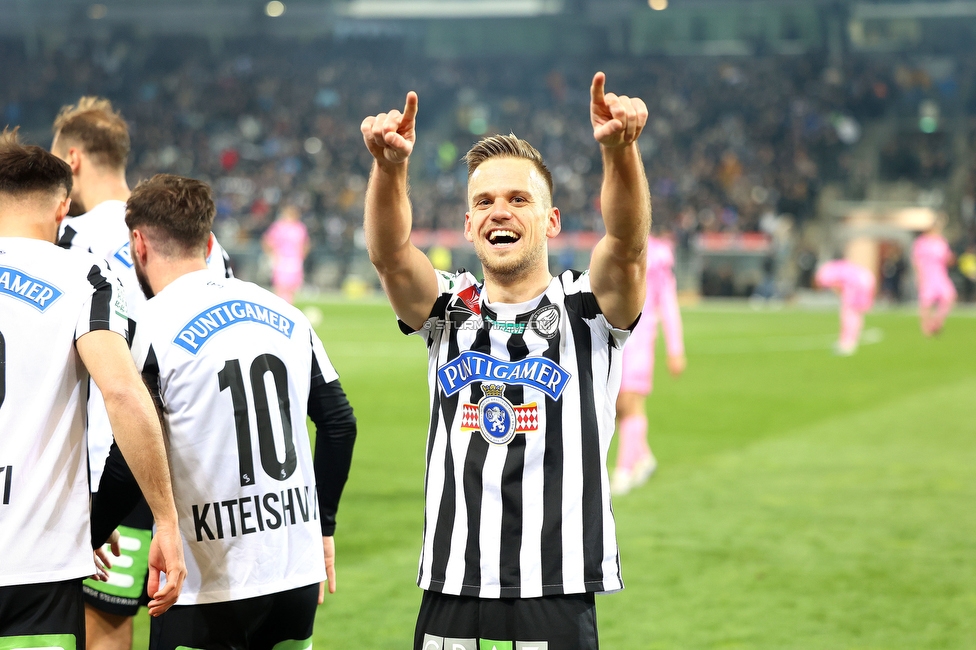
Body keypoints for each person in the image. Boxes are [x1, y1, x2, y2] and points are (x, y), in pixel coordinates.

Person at [361, 72, 650, 650]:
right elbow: (391, 256)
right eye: (484, 202)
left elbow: (626, 246)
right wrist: (390, 169)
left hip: (555, 587)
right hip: (452, 585)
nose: (500, 211)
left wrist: (620, 153)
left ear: (551, 220)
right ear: (468, 226)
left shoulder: (587, 309)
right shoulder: (447, 308)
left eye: (520, 199)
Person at [90, 174, 357, 650]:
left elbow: (130, 452)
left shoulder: (151, 325)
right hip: (293, 571)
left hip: (205, 577)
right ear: (210, 241)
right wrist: (325, 526)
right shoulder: (285, 314)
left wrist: (86, 532)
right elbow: (339, 423)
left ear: (139, 243)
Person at [50, 96, 233, 650]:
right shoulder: (195, 237)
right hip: (185, 469)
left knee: (106, 628)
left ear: (74, 160)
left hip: (111, 462)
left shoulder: (68, 241)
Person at [0, 130, 185, 647]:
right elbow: (124, 394)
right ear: (63, 209)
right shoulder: (82, 276)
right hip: (34, 561)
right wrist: (165, 520)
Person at [612, 231, 686, 496]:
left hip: (640, 339)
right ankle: (643, 458)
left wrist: (675, 349)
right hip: (615, 338)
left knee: (631, 401)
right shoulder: (613, 245)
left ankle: (624, 470)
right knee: (619, 405)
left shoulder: (657, 257)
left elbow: (667, 304)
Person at [814, 258, 876, 355]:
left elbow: (838, 286)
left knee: (849, 314)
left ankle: (848, 343)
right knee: (853, 313)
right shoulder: (832, 268)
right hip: (863, 281)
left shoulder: (825, 275)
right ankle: (847, 341)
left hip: (857, 285)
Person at [911, 220, 956, 336]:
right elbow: (917, 261)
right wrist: (919, 276)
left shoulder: (941, 242)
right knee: (926, 302)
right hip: (927, 275)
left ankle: (937, 321)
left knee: (949, 296)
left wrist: (951, 259)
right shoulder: (921, 242)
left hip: (940, 274)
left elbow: (947, 258)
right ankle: (925, 327)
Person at [262, 203, 310, 304]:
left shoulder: (300, 227)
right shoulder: (278, 226)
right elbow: (267, 240)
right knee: (280, 286)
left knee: (292, 287)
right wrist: (271, 254)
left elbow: (306, 243)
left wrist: (302, 255)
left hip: (295, 259)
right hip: (281, 259)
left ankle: (289, 306)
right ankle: (279, 307)